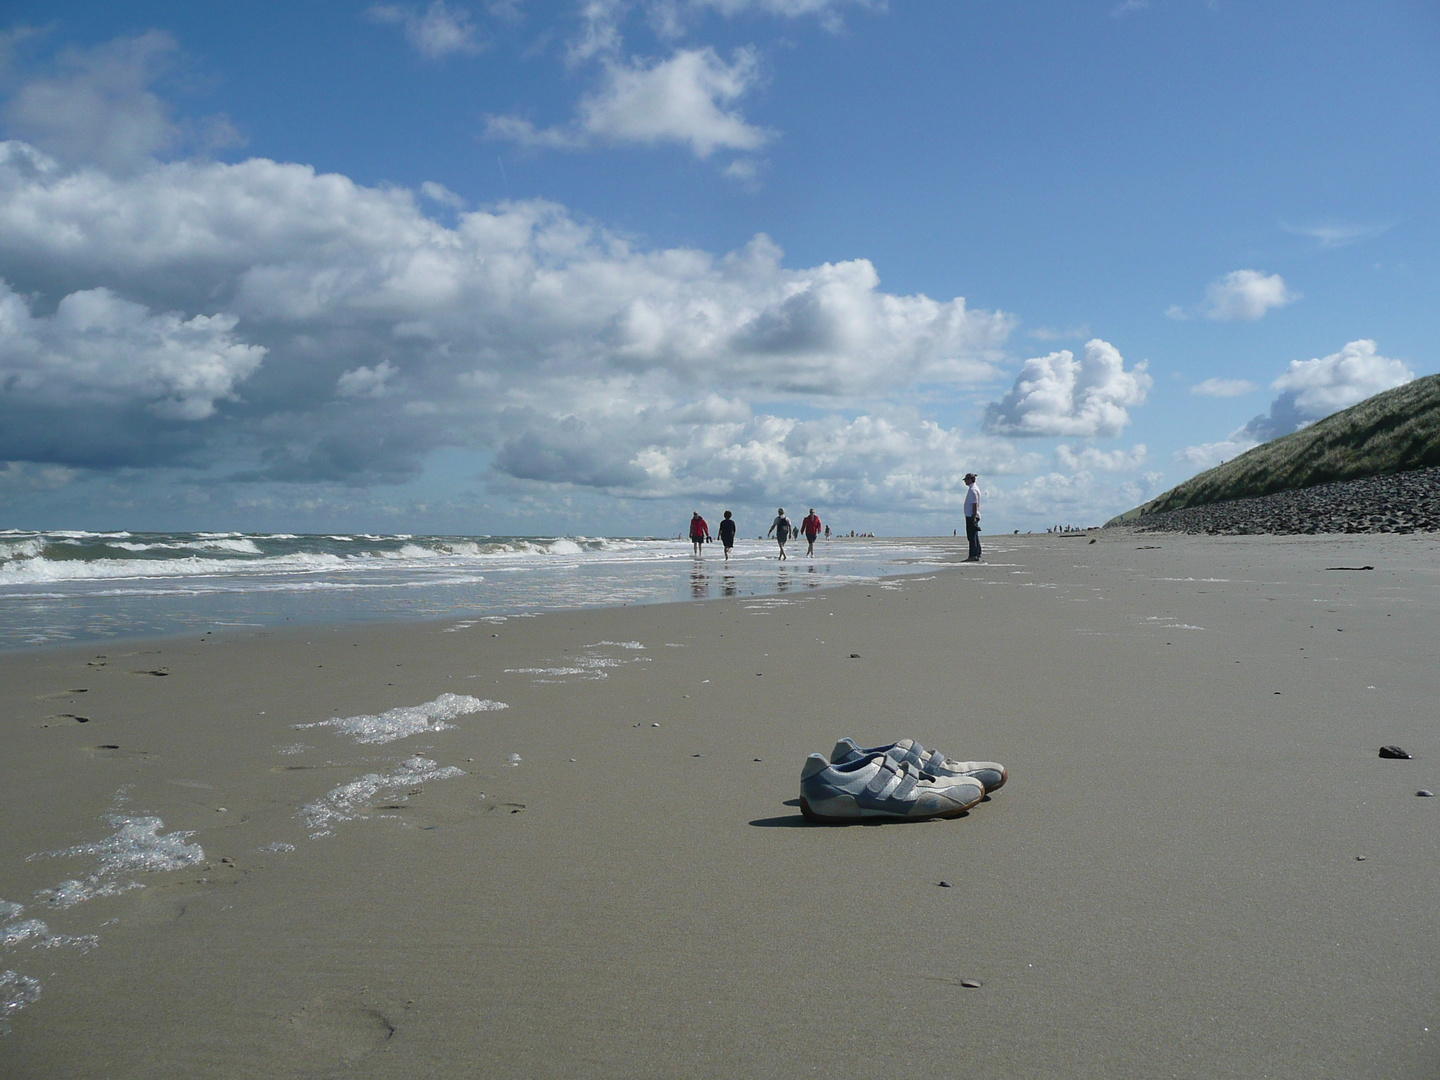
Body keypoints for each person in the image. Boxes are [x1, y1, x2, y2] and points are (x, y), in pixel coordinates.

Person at [963, 472, 982, 562]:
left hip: (971, 515)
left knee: (972, 536)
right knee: (974, 536)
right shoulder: (973, 489)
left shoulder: (973, 490)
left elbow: (974, 505)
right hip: (971, 515)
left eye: (966, 479)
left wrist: (973, 517)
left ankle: (973, 555)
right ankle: (977, 553)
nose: (965, 481)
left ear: (970, 479)